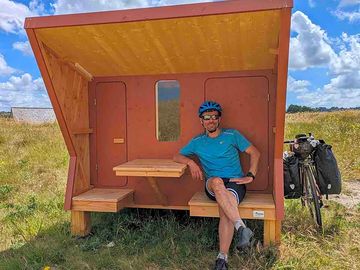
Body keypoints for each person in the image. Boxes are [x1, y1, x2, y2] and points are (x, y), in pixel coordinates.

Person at [173, 101, 260, 270]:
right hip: (213, 184)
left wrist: (251, 175)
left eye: (214, 117)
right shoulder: (197, 142)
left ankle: (222, 258)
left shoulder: (232, 135)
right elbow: (176, 156)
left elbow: (255, 152)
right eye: (207, 117)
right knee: (217, 181)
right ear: (201, 121)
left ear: (219, 119)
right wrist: (191, 162)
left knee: (225, 212)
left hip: (236, 182)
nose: (211, 120)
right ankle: (241, 228)